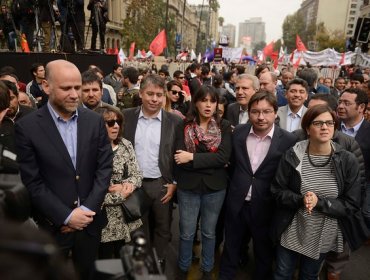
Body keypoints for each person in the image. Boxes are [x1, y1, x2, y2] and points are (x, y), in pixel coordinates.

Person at [15, 60, 113, 280]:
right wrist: (66, 216)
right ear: (46, 86)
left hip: (90, 224)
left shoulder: (95, 121)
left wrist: (85, 211)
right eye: (66, 88)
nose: (74, 94)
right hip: (52, 227)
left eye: (77, 87)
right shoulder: (27, 127)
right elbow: (33, 182)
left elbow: (104, 169)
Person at [271, 105, 369, 280]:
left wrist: (319, 202)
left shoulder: (347, 160)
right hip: (292, 227)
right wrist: (301, 200)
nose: (325, 127)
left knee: (309, 275)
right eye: (318, 123)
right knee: (282, 273)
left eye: (329, 123)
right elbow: (277, 191)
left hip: (325, 232)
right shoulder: (292, 155)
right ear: (308, 128)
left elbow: (352, 204)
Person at [219, 91, 297, 280]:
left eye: (266, 111)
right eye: (255, 112)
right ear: (249, 113)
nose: (261, 117)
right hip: (237, 202)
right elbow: (232, 164)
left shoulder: (288, 140)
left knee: (263, 253)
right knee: (230, 248)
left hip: (266, 205)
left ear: (276, 113)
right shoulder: (238, 132)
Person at [122, 74, 183, 271]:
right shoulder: (126, 116)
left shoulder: (174, 121)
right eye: (150, 94)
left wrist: (174, 182)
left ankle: (160, 259)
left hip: (161, 184)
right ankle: (142, 261)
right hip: (133, 185)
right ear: (140, 93)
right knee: (138, 228)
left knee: (163, 227)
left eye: (159, 95)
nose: (154, 99)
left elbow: (177, 154)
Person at [174, 85, 232, 280]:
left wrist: (192, 157)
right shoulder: (184, 126)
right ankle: (183, 267)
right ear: (196, 102)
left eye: (212, 101)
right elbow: (178, 159)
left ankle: (207, 269)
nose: (208, 105)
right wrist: (210, 162)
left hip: (215, 188)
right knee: (186, 233)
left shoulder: (223, 126)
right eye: (203, 100)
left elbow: (223, 157)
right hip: (188, 186)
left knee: (209, 232)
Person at [94, 106, 143, 259]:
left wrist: (127, 186)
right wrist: (121, 195)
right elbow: (91, 192)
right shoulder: (90, 151)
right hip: (103, 223)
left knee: (124, 261)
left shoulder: (125, 145)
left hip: (126, 218)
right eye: (110, 123)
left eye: (118, 122)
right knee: (105, 264)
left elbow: (137, 174)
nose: (115, 126)